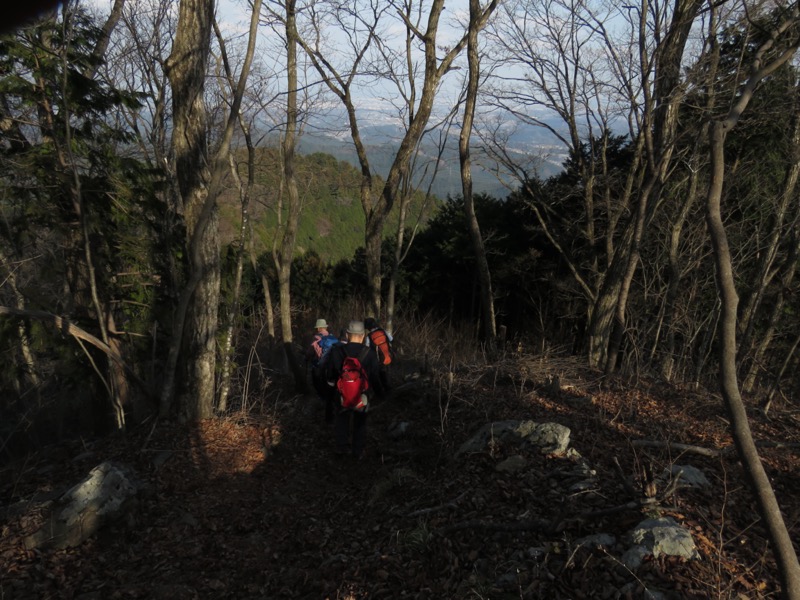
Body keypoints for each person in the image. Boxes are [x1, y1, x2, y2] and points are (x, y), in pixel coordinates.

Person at [325, 320, 381, 460]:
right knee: (360, 423)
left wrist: (330, 394)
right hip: (362, 396)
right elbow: (375, 377)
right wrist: (379, 393)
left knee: (342, 420)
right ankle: (358, 451)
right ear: (363, 336)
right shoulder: (370, 353)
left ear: (348, 335)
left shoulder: (337, 351)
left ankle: (341, 448)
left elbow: (330, 375)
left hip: (342, 394)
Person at [305, 318, 338, 423]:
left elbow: (309, 354)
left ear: (318, 328)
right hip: (332, 368)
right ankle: (332, 405)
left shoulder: (316, 339)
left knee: (318, 386)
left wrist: (305, 359)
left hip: (319, 368)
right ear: (326, 327)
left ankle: (324, 403)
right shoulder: (333, 338)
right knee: (330, 388)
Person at [364, 316, 393, 395]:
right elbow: (391, 339)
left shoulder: (369, 336)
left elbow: (367, 348)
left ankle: (382, 392)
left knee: (380, 375)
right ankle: (389, 388)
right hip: (388, 356)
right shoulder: (383, 331)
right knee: (387, 373)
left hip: (378, 360)